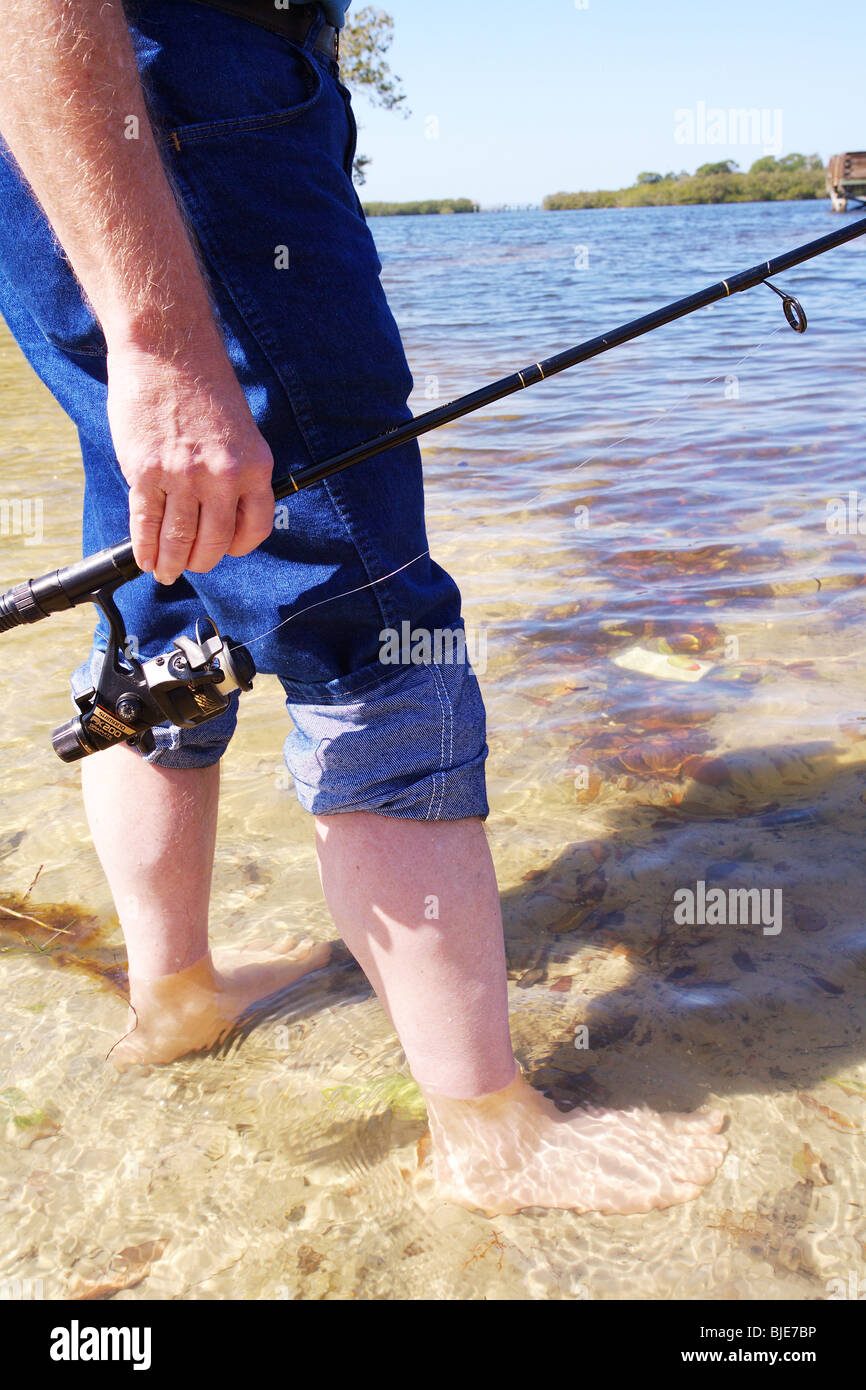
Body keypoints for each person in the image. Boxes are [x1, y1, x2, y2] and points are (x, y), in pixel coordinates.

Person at [0, 0, 726, 1214]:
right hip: (175, 112)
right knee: (370, 621)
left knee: (163, 592)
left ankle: (177, 994)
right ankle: (487, 1128)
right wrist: (167, 344)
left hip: (96, 137)